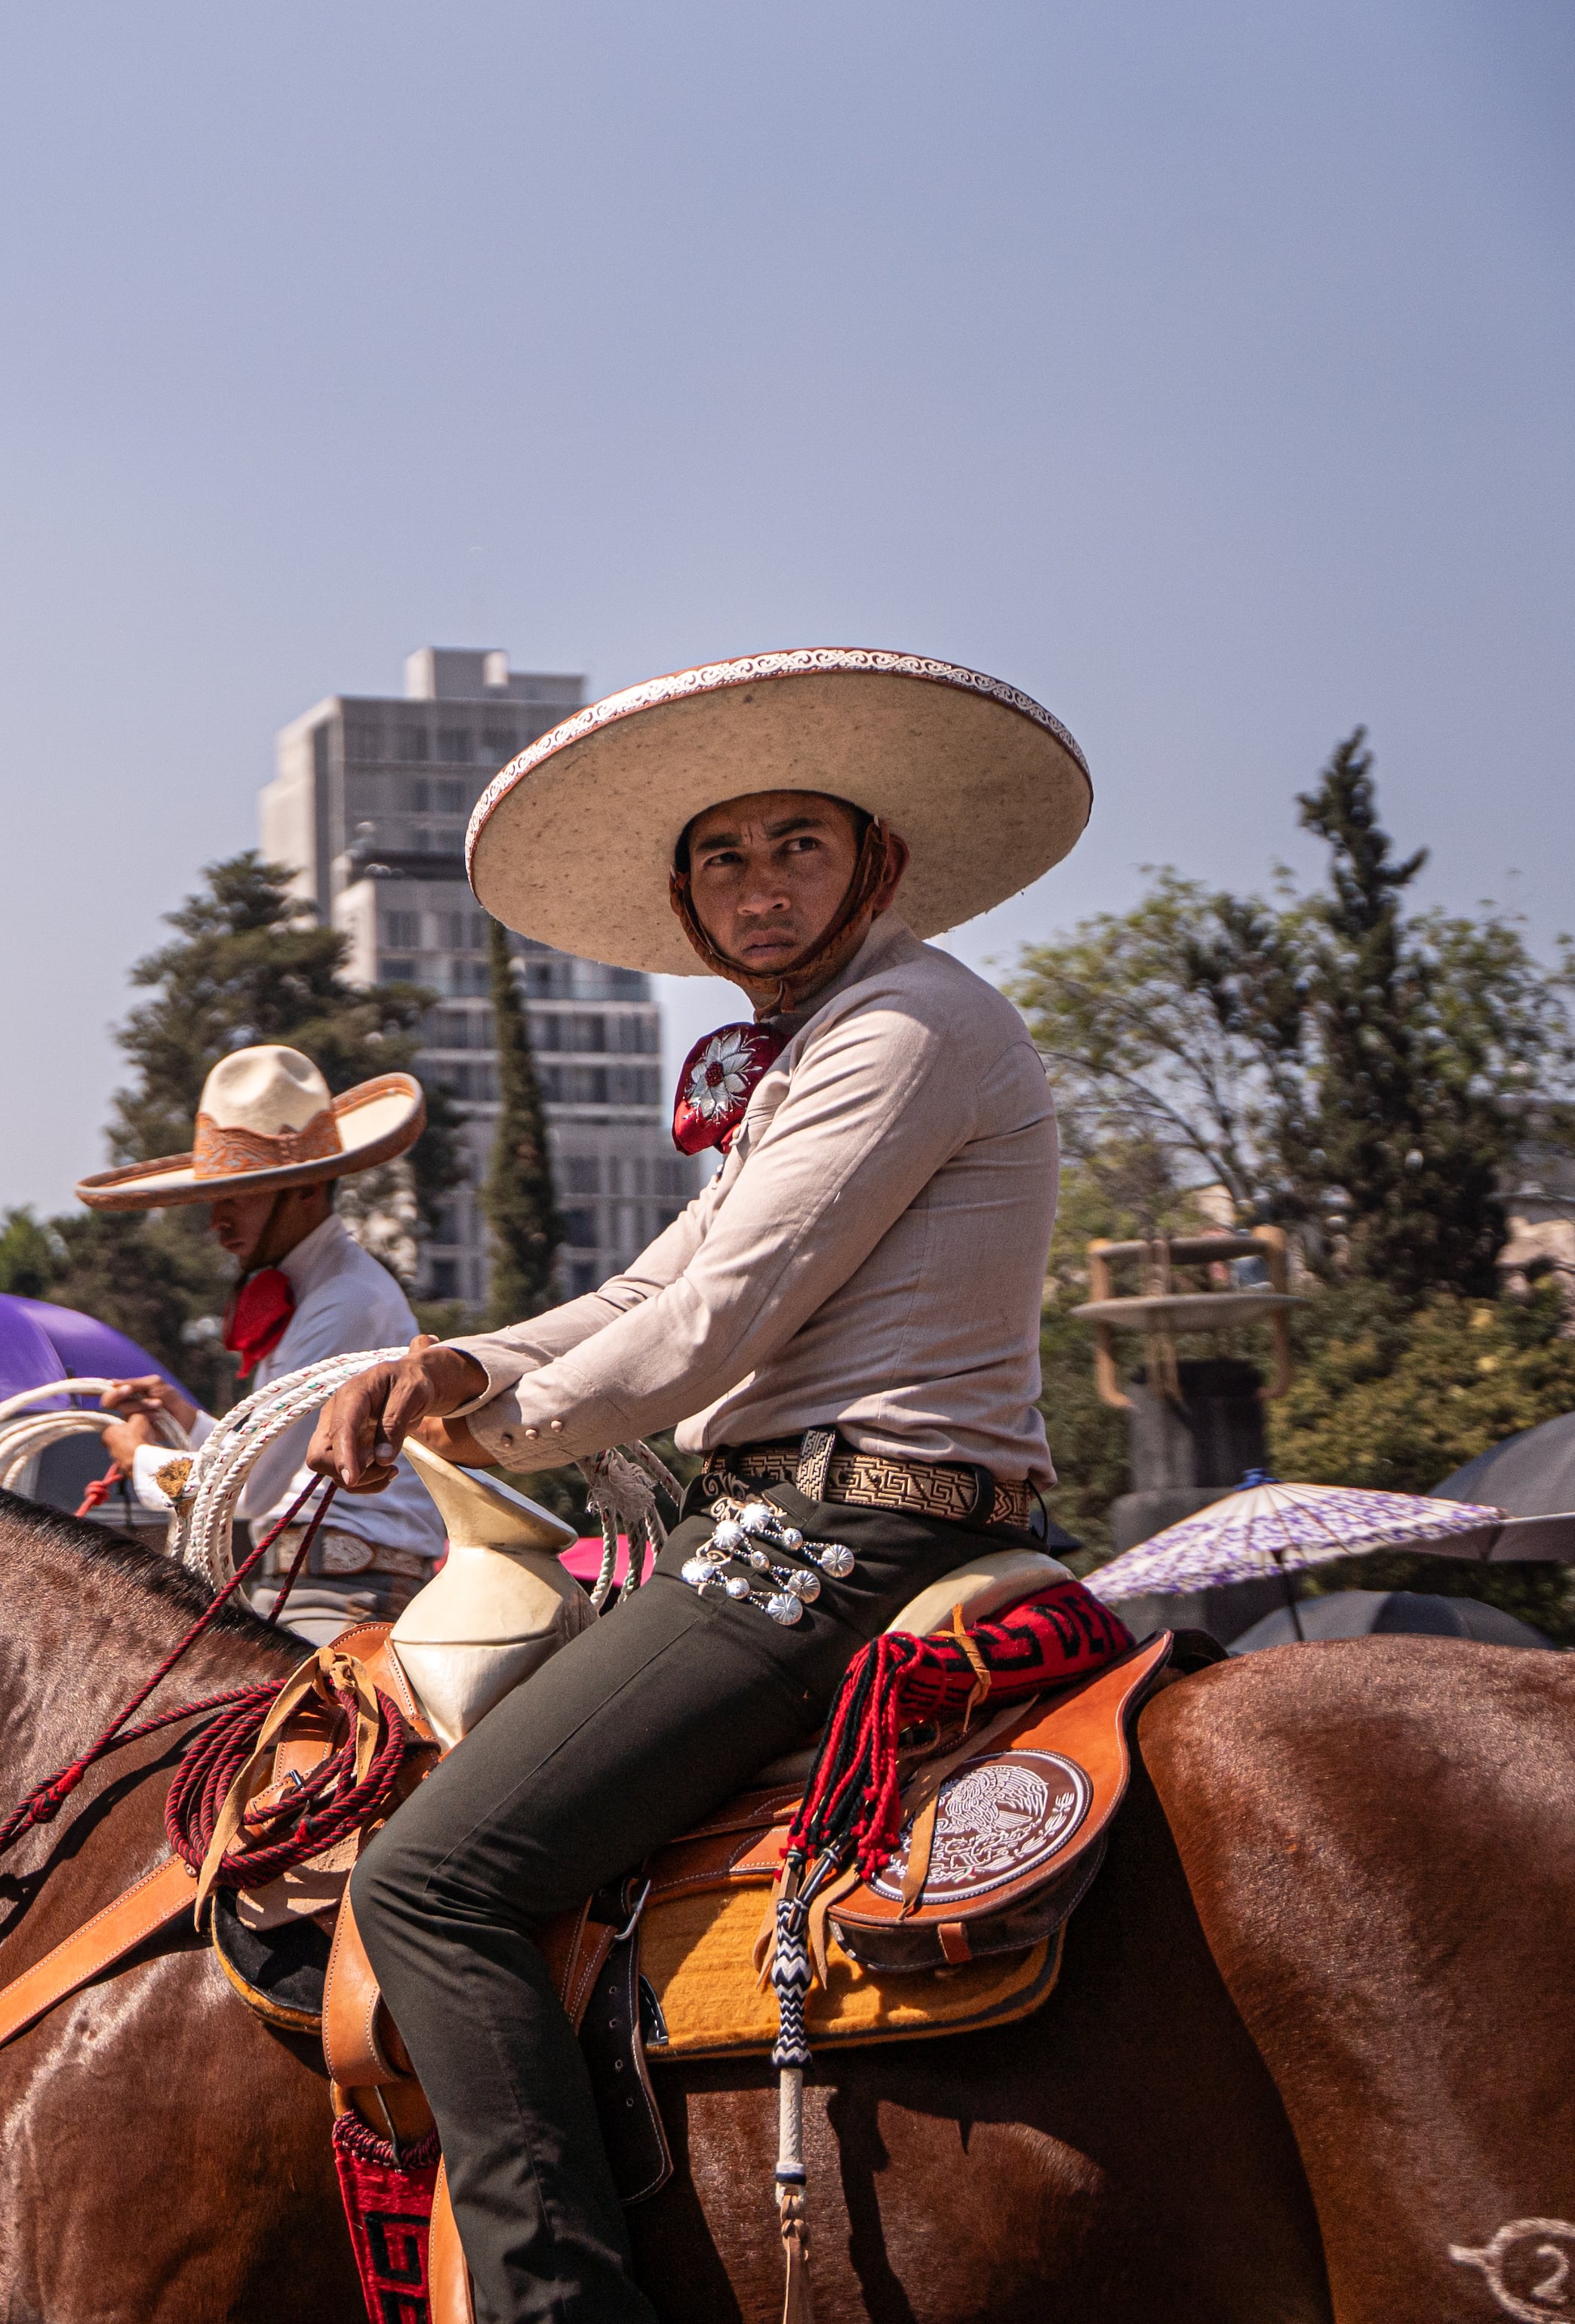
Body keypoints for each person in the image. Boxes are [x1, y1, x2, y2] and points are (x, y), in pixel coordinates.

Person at [309, 651, 1085, 2324]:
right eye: (722, 858)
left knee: (429, 1878)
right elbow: (645, 1286)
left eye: (794, 843)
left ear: (872, 859)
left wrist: (498, 1427)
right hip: (809, 1516)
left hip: (846, 1534)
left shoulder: (907, 1023)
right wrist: (456, 1360)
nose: (757, 885)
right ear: (685, 892)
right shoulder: (815, 1050)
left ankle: (556, 2302)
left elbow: (713, 1324)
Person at [75, 1043, 446, 1627]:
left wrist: (142, 1458)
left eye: (236, 1196)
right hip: (311, 1581)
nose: (216, 1220)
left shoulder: (344, 1301)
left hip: (345, 1595)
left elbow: (245, 1491)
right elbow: (261, 1459)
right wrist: (186, 1417)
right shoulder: (325, 1289)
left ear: (305, 1188)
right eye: (212, 1197)